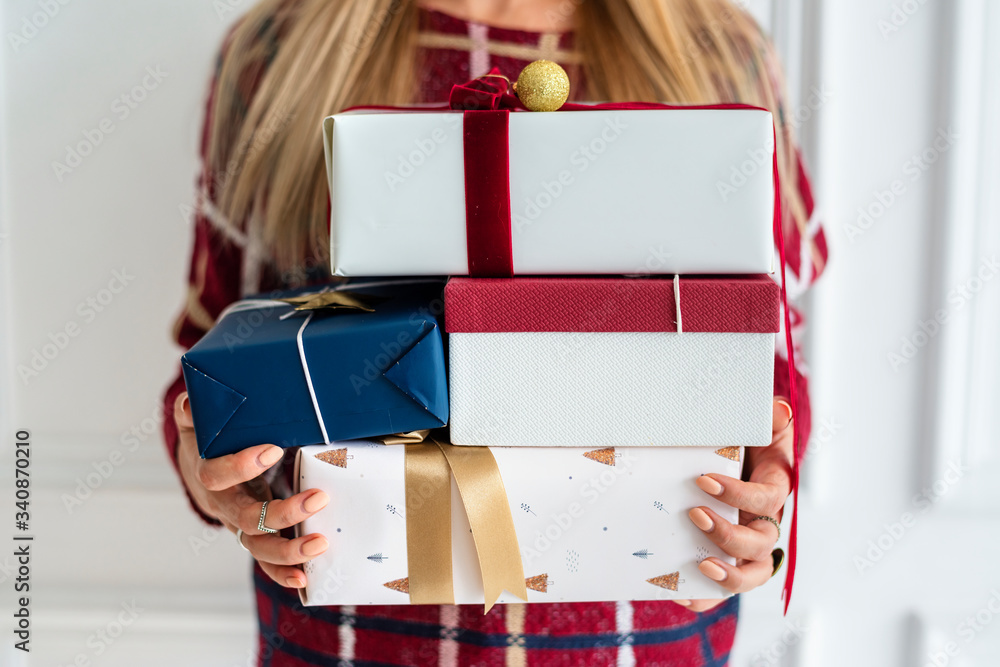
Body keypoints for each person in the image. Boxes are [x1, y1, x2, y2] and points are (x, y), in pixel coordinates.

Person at [162, 0, 828, 663]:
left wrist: (766, 486)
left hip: (645, 635)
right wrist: (214, 472)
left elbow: (765, 351)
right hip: (346, 637)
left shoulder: (718, 50)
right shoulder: (278, 53)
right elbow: (220, 349)